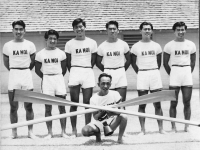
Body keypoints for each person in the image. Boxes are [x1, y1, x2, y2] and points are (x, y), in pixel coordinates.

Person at [3, 20, 37, 139]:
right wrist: (15, 70)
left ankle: (30, 131)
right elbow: (6, 63)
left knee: (29, 106)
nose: (18, 31)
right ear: (13, 30)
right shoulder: (7, 45)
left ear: (24, 30)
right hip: (14, 74)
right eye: (16, 29)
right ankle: (14, 132)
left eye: (21, 29)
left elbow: (32, 62)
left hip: (26, 74)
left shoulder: (30, 45)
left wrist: (24, 69)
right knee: (13, 107)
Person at [130, 22, 166, 135]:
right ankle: (142, 129)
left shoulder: (156, 46)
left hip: (154, 73)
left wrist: (152, 71)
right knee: (142, 103)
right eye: (144, 29)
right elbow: (133, 63)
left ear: (152, 31)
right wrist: (141, 72)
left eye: (149, 29)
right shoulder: (136, 46)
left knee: (157, 103)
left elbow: (159, 63)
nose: (147, 31)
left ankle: (160, 128)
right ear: (140, 31)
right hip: (142, 75)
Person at [65, 18, 97, 137]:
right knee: (74, 103)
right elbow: (68, 62)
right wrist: (75, 71)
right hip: (75, 70)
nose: (79, 29)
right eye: (76, 27)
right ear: (73, 29)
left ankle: (87, 129)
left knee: (87, 103)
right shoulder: (69, 43)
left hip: (87, 71)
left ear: (84, 27)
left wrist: (86, 69)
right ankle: (74, 130)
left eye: (81, 26)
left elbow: (93, 60)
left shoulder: (92, 42)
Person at [163, 22, 196, 133]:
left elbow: (193, 62)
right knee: (173, 102)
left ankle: (187, 126)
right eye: (178, 30)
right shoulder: (169, 45)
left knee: (187, 102)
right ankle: (173, 127)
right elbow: (165, 63)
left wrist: (187, 72)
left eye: (182, 29)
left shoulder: (191, 44)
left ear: (185, 30)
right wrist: (172, 74)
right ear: (174, 31)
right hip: (175, 72)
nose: (180, 32)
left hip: (186, 72)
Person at [35, 29, 68, 139]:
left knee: (62, 107)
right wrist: (46, 77)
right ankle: (50, 133)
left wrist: (56, 76)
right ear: (46, 39)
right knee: (48, 108)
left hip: (58, 79)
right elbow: (37, 70)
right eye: (50, 38)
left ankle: (63, 132)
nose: (53, 40)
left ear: (57, 40)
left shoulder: (61, 53)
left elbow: (64, 69)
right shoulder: (40, 54)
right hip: (47, 80)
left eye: (55, 39)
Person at [81, 73, 127, 144]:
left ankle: (120, 139)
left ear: (110, 84)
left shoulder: (115, 94)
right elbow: (95, 117)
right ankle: (98, 135)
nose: (105, 86)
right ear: (98, 84)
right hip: (98, 123)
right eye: (103, 83)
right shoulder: (93, 98)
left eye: (108, 84)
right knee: (85, 131)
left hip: (112, 122)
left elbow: (121, 110)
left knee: (124, 116)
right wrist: (102, 111)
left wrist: (109, 111)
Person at [96, 20, 131, 108]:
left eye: (114, 29)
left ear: (118, 30)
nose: (112, 31)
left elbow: (128, 60)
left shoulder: (123, 44)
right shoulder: (102, 46)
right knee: (109, 102)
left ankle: (122, 121)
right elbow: (98, 62)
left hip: (120, 72)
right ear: (106, 31)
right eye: (110, 29)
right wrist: (106, 71)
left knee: (121, 102)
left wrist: (122, 69)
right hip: (108, 72)